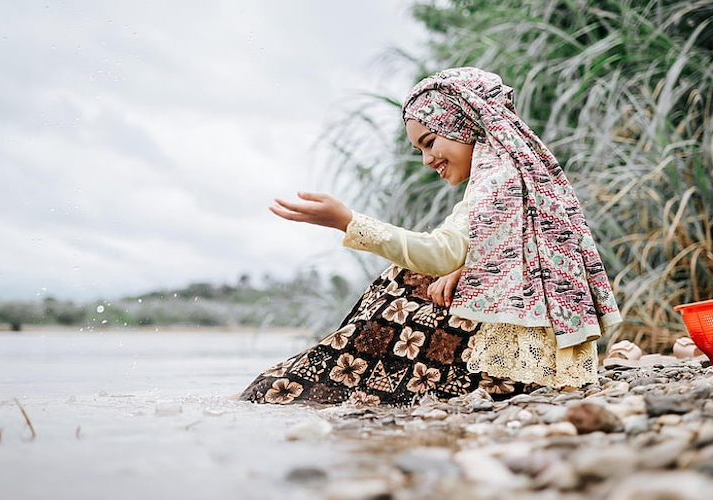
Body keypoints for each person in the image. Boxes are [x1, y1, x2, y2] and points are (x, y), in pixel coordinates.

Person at [238, 67, 622, 406]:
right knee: (424, 279)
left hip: (514, 370)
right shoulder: (522, 173)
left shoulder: (495, 183)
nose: (426, 160)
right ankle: (313, 381)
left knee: (403, 280)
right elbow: (523, 258)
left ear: (463, 124)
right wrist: (467, 269)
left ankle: (304, 386)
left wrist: (348, 221)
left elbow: (439, 254)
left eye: (429, 142)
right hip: (549, 362)